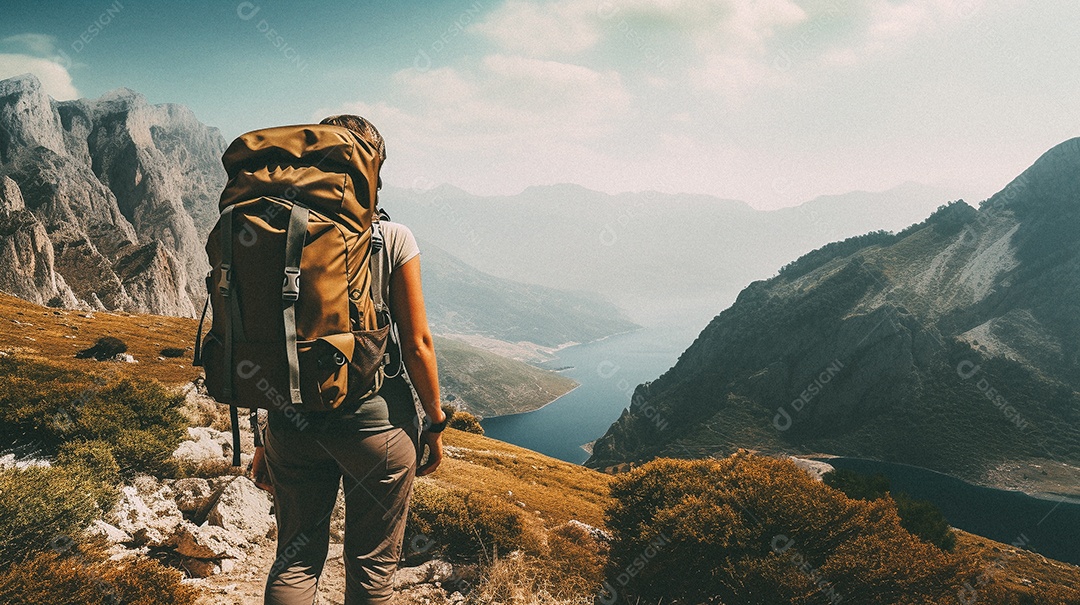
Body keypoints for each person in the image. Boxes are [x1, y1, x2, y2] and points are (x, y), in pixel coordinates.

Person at [251, 114, 446, 605]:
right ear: (372, 169)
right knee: (372, 568)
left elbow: (269, 342)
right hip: (377, 426)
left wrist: (264, 438)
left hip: (291, 423)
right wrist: (435, 423)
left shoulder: (273, 232)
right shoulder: (392, 237)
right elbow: (417, 343)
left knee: (295, 560)